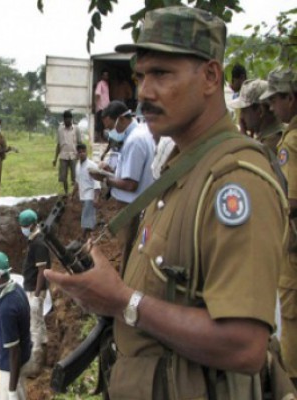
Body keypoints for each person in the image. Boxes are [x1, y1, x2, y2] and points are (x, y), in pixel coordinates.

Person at [45, 7, 290, 399]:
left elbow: (244, 345)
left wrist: (124, 301)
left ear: (211, 77)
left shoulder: (235, 181)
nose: (143, 92)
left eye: (162, 74)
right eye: (141, 76)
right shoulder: (182, 168)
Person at [260, 68, 297, 386]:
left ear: (290, 97)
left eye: (275, 100)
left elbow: (290, 199)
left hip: (293, 246)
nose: (272, 108)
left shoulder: (290, 143)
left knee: (290, 317)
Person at [0, 251, 32, 400]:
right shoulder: (17, 289)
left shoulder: (7, 308)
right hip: (21, 359)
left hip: (12, 368)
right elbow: (9, 332)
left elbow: (14, 352)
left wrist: (12, 390)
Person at [17, 209, 50, 349]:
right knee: (38, 319)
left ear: (31, 225)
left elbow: (42, 270)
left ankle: (36, 353)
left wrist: (36, 295)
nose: (22, 229)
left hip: (35, 289)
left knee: (34, 323)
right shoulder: (33, 240)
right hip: (32, 287)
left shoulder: (39, 243)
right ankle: (43, 343)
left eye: (24, 226)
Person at [229, 79, 284, 154]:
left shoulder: (270, 145)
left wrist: (244, 142)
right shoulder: (269, 137)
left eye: (244, 111)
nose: (241, 116)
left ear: (260, 111)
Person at [71, 143, 101, 238]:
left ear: (86, 152)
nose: (82, 154)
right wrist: (72, 194)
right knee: (89, 214)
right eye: (79, 152)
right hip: (82, 194)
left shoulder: (92, 166)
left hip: (90, 194)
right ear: (77, 153)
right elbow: (77, 181)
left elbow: (97, 182)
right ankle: (91, 233)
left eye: (83, 151)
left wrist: (96, 197)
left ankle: (84, 235)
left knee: (86, 214)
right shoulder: (77, 165)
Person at [52, 110, 81, 195]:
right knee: (63, 177)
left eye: (69, 119)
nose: (68, 121)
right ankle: (66, 193)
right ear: (63, 120)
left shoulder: (76, 129)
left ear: (71, 119)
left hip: (73, 156)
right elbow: (58, 144)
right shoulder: (60, 129)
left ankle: (75, 194)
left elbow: (80, 143)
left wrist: (80, 155)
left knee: (75, 177)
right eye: (66, 119)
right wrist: (55, 158)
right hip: (63, 156)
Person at [94, 70, 111, 142]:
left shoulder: (106, 84)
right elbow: (97, 94)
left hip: (106, 107)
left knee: (104, 123)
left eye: (107, 75)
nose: (106, 76)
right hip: (101, 107)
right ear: (102, 76)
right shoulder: (100, 84)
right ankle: (99, 138)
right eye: (104, 75)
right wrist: (96, 104)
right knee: (99, 124)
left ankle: (102, 138)